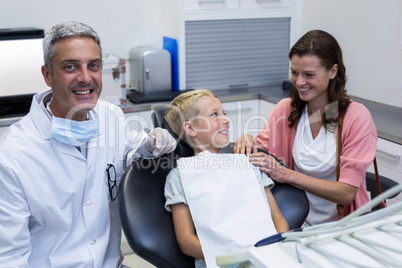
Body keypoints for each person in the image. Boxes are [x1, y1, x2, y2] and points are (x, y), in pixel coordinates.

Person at [0, 21, 176, 267]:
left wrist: (149, 145)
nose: (85, 78)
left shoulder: (110, 116)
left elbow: (130, 153)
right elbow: (9, 258)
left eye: (93, 66)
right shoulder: (13, 156)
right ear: (47, 75)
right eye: (70, 67)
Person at [234, 30, 377, 226]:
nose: (299, 82)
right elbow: (262, 158)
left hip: (341, 227)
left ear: (332, 72)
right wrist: (247, 142)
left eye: (309, 74)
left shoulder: (356, 117)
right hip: (292, 223)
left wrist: (287, 175)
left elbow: (346, 193)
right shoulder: (285, 110)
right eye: (294, 72)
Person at [164, 89, 289, 268]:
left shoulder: (248, 164)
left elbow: (277, 219)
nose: (226, 120)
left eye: (225, 113)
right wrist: (233, 260)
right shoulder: (180, 178)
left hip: (268, 257)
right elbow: (186, 241)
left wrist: (276, 250)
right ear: (190, 128)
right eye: (214, 115)